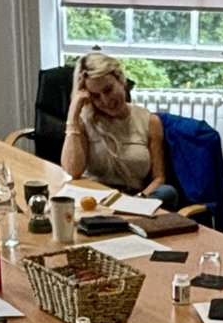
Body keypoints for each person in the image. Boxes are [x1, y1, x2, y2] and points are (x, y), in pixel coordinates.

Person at [59, 52, 179, 209]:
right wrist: (73, 114)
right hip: (94, 202)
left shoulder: (149, 121)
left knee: (168, 192)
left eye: (108, 90)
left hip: (135, 201)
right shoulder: (84, 121)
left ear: (121, 80)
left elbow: (159, 178)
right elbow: (73, 171)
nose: (105, 101)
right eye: (95, 96)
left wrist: (137, 200)